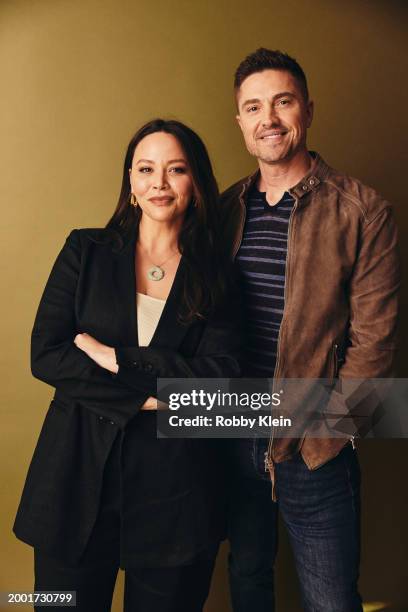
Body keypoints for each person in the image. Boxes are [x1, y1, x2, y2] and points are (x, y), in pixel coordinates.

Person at [14, 118, 243, 612]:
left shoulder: (218, 277)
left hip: (177, 497)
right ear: (132, 184)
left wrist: (116, 358)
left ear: (196, 184)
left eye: (176, 169)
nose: (159, 182)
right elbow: (48, 353)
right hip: (74, 486)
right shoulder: (85, 251)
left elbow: (220, 378)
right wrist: (150, 396)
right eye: (146, 169)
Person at [221, 49, 399, 611]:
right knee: (248, 581)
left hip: (313, 445)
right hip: (228, 430)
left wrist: (328, 435)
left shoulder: (364, 210)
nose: (268, 117)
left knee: (330, 599)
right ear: (241, 124)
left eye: (282, 101)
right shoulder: (225, 208)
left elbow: (377, 341)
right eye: (253, 107)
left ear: (308, 110)